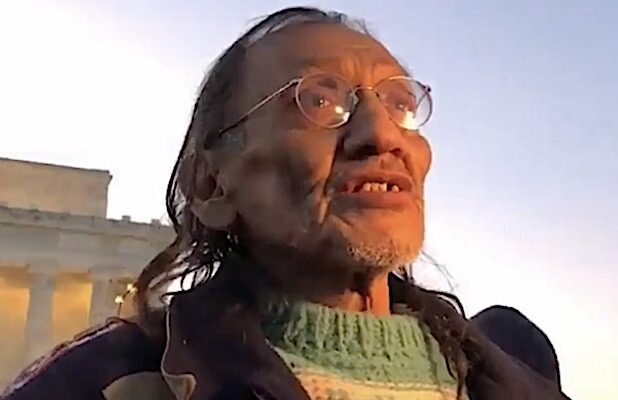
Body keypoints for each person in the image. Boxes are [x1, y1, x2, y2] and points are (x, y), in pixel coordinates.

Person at [1, 7, 570, 400]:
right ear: (211, 186)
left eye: (399, 104)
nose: (382, 135)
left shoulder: (515, 377)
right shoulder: (95, 384)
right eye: (318, 100)